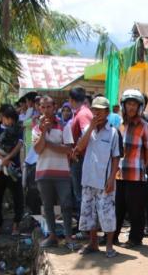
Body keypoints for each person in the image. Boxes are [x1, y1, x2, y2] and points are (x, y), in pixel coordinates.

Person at [74, 96, 121, 257]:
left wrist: (112, 179)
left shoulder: (113, 132)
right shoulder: (89, 128)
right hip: (88, 178)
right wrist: (90, 128)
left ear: (107, 112)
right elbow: (79, 148)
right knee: (89, 213)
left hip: (104, 180)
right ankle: (92, 243)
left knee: (107, 213)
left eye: (100, 110)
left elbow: (116, 157)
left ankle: (109, 245)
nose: (96, 113)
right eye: (94, 110)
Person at [33, 96, 76, 250]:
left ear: (54, 107)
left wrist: (48, 144)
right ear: (39, 108)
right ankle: (52, 236)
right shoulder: (37, 127)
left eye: (48, 107)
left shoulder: (64, 125)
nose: (45, 110)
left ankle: (69, 237)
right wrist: (43, 132)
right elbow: (38, 150)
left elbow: (68, 149)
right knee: (48, 205)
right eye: (43, 107)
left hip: (62, 172)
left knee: (66, 204)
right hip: (43, 172)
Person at [114, 89, 148, 248]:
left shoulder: (145, 126)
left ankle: (136, 238)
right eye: (128, 104)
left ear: (140, 107)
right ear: (123, 106)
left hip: (136, 174)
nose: (131, 107)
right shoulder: (121, 125)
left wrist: (143, 165)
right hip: (120, 173)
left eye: (134, 104)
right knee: (118, 207)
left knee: (135, 208)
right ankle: (113, 236)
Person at [0, 104, 25, 236]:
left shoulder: (18, 129)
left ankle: (16, 225)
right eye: (9, 119)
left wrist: (8, 158)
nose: (11, 122)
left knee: (18, 197)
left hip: (13, 166)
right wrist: (1, 159)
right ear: (4, 117)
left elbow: (19, 145)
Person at [67, 87, 93, 224]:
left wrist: (77, 150)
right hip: (83, 157)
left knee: (81, 195)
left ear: (71, 100)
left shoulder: (82, 114)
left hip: (81, 159)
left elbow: (87, 133)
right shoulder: (84, 112)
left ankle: (85, 227)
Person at [20, 92, 42, 215]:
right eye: (38, 104)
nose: (39, 107)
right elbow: (24, 123)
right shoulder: (33, 117)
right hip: (31, 157)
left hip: (41, 159)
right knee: (31, 188)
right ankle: (33, 213)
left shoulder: (52, 121)